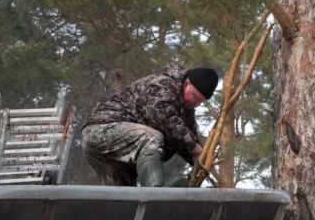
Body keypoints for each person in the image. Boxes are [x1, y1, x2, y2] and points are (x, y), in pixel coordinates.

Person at [81, 64, 219, 187]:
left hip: (116, 152)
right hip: (101, 130)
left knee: (124, 199)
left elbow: (186, 138)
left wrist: (199, 160)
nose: (195, 104)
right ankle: (156, 195)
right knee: (152, 137)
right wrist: (195, 148)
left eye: (200, 102)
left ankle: (154, 208)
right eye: (195, 97)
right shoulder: (161, 85)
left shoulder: (185, 110)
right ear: (186, 83)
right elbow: (165, 120)